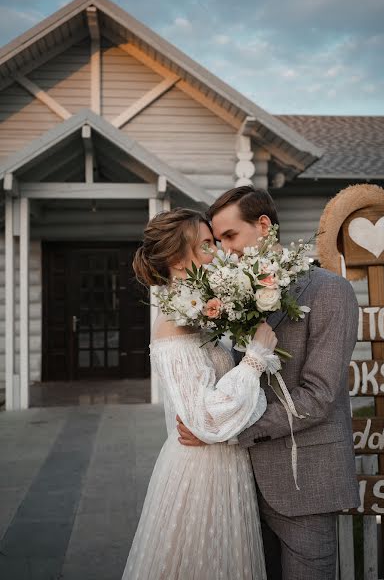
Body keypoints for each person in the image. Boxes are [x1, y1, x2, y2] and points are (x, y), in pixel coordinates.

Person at [177, 186, 360, 580]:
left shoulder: (330, 291)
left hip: (304, 480)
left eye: (230, 236)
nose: (225, 250)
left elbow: (318, 395)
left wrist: (226, 431)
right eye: (218, 240)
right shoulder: (235, 292)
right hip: (242, 485)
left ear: (263, 226)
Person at [122, 207, 278, 580]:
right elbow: (205, 417)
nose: (218, 252)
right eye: (207, 244)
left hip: (224, 462)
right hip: (201, 471)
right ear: (178, 259)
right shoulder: (172, 327)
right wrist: (255, 358)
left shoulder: (197, 318)